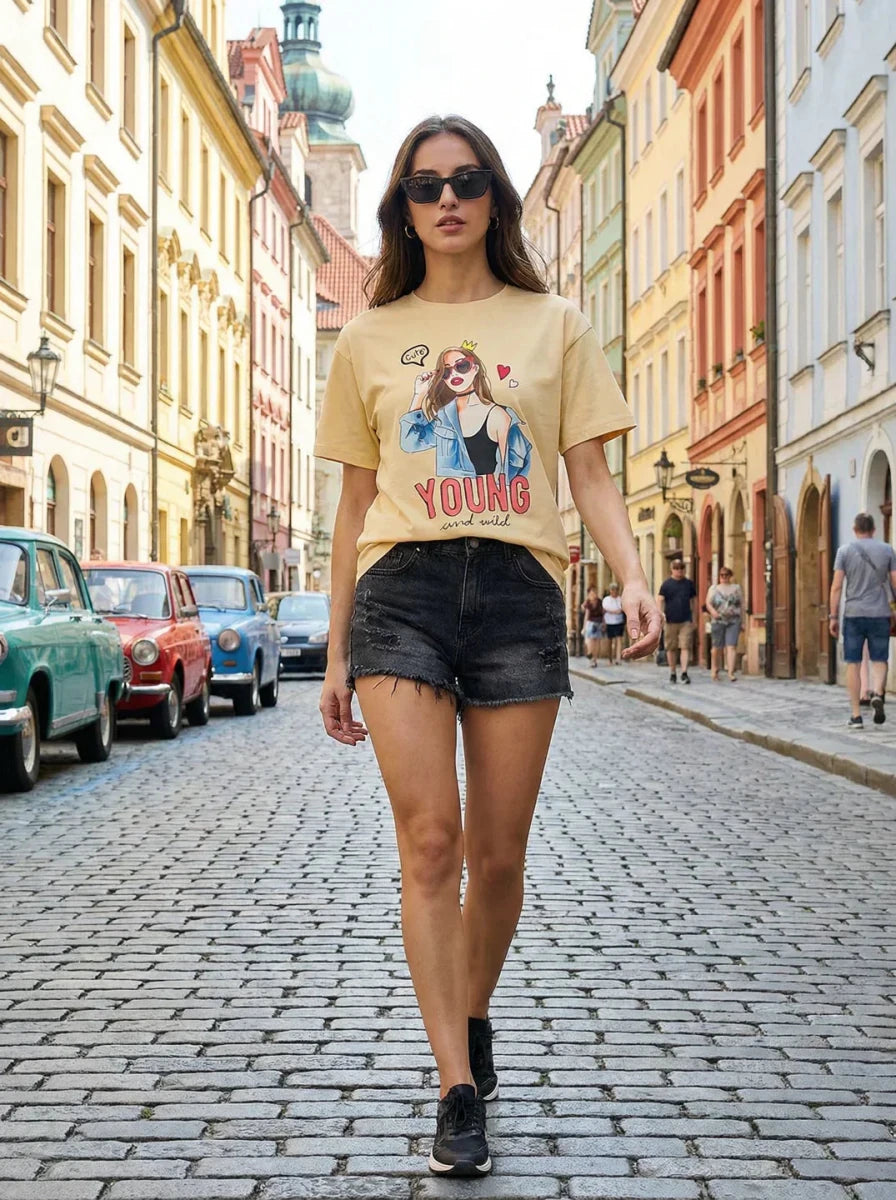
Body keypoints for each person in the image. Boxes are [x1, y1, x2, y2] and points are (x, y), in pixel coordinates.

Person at [314, 114, 662, 1179]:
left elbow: (590, 475)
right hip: (400, 593)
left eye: (466, 180)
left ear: (495, 197)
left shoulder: (554, 323)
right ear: (403, 209)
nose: (446, 197)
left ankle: (470, 1015)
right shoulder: (367, 339)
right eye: (424, 186)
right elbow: (353, 505)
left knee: (495, 858)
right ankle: (454, 1084)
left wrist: (633, 576)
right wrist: (334, 650)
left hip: (517, 590)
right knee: (429, 843)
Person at [829, 512, 896, 728]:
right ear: (873, 530)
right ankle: (877, 692)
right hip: (880, 613)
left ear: (855, 529)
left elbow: (837, 586)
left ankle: (856, 715)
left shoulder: (844, 551)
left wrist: (832, 615)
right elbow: (895, 582)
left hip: (853, 614)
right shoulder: (887, 550)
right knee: (880, 659)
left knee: (853, 663)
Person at [658, 558, 697, 683]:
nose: (679, 570)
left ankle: (684, 672)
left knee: (685, 646)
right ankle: (673, 672)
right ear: (672, 569)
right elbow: (660, 600)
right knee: (671, 647)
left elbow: (694, 601)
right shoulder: (666, 584)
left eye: (681, 568)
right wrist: (661, 615)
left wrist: (694, 618)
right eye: (676, 568)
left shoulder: (688, 584)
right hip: (670, 620)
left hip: (686, 620)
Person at [706, 566, 743, 681]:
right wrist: (713, 612)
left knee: (731, 646)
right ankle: (714, 669)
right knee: (717, 648)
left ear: (730, 576)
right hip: (718, 620)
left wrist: (743, 621)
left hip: (734, 620)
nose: (724, 577)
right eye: (722, 575)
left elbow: (742, 605)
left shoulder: (736, 588)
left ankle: (731, 672)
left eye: (726, 575)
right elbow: (708, 603)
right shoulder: (714, 589)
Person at [602, 581, 625, 664]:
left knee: (619, 640)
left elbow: (622, 608)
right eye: (613, 590)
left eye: (616, 590)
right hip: (609, 622)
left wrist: (615, 611)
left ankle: (618, 658)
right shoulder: (606, 599)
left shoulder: (620, 599)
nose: (614, 591)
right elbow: (606, 609)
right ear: (610, 591)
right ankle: (610, 658)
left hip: (619, 622)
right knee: (609, 641)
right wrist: (615, 611)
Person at [580, 585, 603, 666]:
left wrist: (604, 623)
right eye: (591, 593)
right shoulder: (588, 603)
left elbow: (603, 613)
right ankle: (590, 655)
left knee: (596, 642)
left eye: (594, 593)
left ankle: (594, 660)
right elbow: (586, 616)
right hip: (590, 623)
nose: (593, 595)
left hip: (599, 623)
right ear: (589, 594)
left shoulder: (600, 602)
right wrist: (584, 627)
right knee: (589, 641)